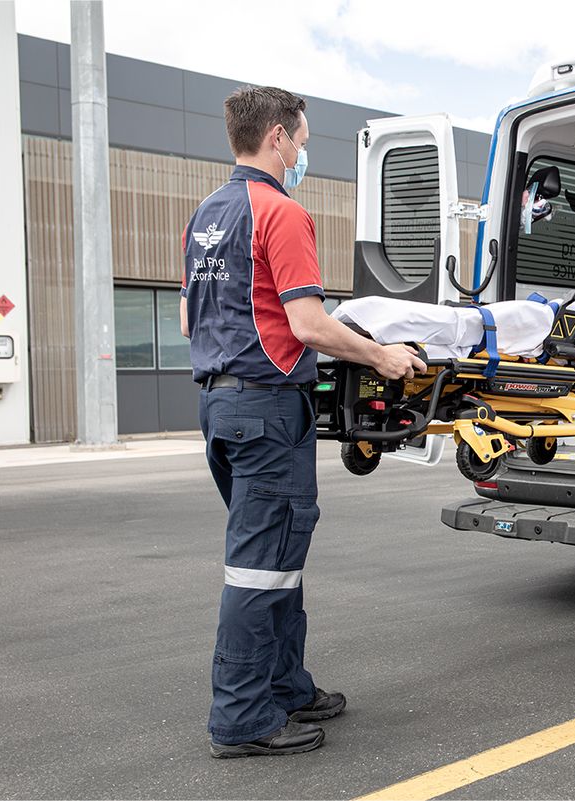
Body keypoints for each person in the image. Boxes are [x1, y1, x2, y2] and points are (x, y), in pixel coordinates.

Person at [180, 86, 425, 758]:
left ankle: (286, 683)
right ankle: (241, 715)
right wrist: (382, 354)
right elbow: (308, 323)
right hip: (264, 407)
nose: (304, 152)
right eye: (303, 141)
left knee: (275, 556)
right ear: (278, 138)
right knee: (260, 566)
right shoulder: (279, 212)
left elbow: (187, 319)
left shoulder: (206, 214)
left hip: (220, 404)